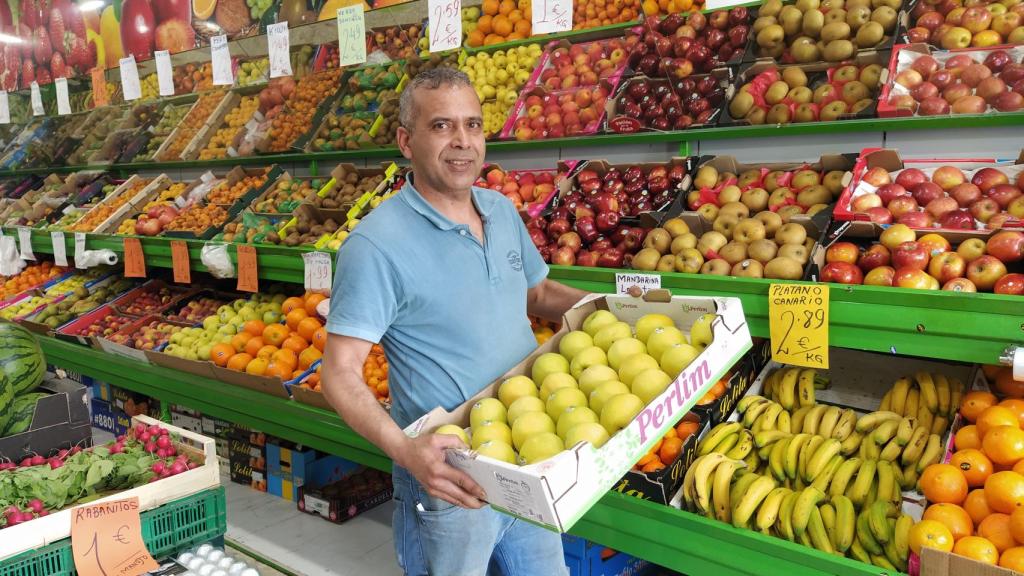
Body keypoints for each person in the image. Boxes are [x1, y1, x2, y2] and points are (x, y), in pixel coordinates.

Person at [321, 67, 587, 576]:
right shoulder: (375, 246)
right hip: (449, 473)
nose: (462, 141)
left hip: (530, 449)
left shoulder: (501, 210)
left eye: (473, 125)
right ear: (406, 140)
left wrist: (609, 306)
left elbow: (537, 292)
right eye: (442, 126)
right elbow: (338, 373)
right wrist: (407, 452)